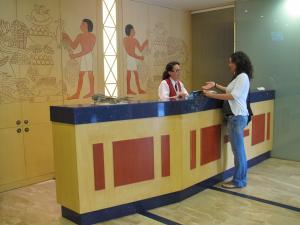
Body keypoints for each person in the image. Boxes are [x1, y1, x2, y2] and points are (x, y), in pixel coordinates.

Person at [202, 51, 253, 189]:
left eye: (231, 62)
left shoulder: (242, 77)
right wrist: (215, 85)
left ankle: (239, 181)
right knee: (237, 150)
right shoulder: (239, 77)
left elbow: (232, 96)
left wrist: (212, 96)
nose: (229, 64)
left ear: (237, 63)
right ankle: (239, 179)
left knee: (238, 151)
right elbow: (229, 90)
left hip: (237, 117)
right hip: (235, 118)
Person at [62, 18, 96, 100]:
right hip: (84, 56)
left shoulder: (92, 36)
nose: (81, 26)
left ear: (87, 26)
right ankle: (77, 94)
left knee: (90, 73)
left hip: (88, 56)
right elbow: (74, 45)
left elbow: (88, 49)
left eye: (83, 24)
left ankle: (91, 92)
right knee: (81, 75)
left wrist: (75, 55)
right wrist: (67, 37)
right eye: (81, 24)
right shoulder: (80, 36)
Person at [123, 24, 148, 95]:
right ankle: (132, 89)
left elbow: (140, 49)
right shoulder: (125, 39)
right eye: (133, 30)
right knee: (133, 73)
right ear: (129, 31)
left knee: (133, 73)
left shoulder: (135, 40)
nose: (134, 31)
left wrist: (145, 43)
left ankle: (136, 89)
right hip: (130, 58)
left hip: (132, 58)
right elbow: (129, 52)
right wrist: (139, 57)